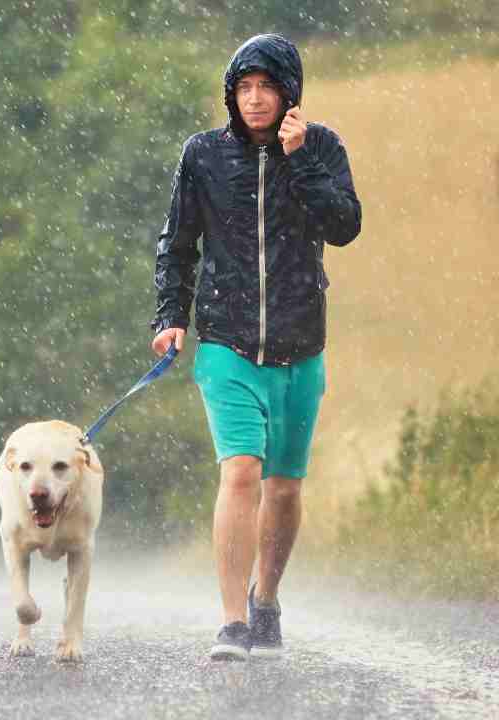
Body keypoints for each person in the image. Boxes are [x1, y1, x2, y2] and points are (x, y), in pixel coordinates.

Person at [149, 33, 362, 661]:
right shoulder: (204, 157)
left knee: (285, 488)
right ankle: (233, 620)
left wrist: (300, 160)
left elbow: (344, 226)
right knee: (240, 472)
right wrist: (171, 315)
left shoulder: (321, 147)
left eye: (268, 87)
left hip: (301, 344)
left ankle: (265, 600)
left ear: (290, 93)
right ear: (231, 95)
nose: (256, 99)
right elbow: (177, 242)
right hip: (226, 343)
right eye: (245, 88)